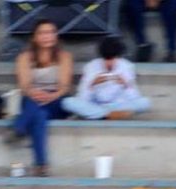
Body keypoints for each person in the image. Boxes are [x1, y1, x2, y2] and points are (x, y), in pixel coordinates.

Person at [9, 20, 72, 177]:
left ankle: (19, 127)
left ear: (56, 36)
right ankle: (41, 164)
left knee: (39, 111)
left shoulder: (65, 57)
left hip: (56, 100)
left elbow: (64, 86)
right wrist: (34, 93)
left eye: (51, 32)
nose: (47, 36)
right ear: (35, 37)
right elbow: (24, 85)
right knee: (39, 114)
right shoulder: (25, 57)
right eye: (42, 33)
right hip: (32, 97)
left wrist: (51, 96)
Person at [62, 36, 150, 121]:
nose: (109, 63)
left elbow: (135, 98)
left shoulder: (126, 66)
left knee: (145, 102)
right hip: (97, 105)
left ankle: (99, 115)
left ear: (117, 57)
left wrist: (125, 86)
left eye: (112, 59)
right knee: (67, 102)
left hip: (118, 106)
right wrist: (92, 85)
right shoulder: (91, 67)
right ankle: (107, 115)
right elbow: (82, 99)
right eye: (106, 59)